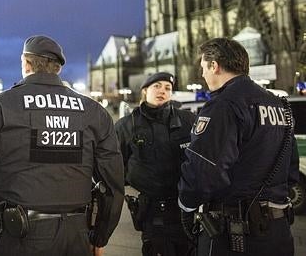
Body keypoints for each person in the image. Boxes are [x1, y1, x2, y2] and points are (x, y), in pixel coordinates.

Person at [0, 35, 125, 256]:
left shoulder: (0, 107)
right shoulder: (94, 112)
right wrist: (100, 236)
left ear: (26, 63)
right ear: (58, 68)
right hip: (76, 235)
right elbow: (113, 181)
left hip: (18, 235)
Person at [178, 37, 299, 256]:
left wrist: (186, 205)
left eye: (203, 68)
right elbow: (291, 170)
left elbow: (204, 171)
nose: (203, 75)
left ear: (214, 65)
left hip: (235, 233)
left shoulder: (223, 105)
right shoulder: (279, 104)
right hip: (278, 231)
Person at [114, 72, 196, 256]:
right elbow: (115, 166)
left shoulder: (187, 121)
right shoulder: (127, 126)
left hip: (186, 208)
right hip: (152, 212)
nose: (163, 91)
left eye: (167, 88)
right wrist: (134, 177)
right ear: (144, 91)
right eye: (157, 86)